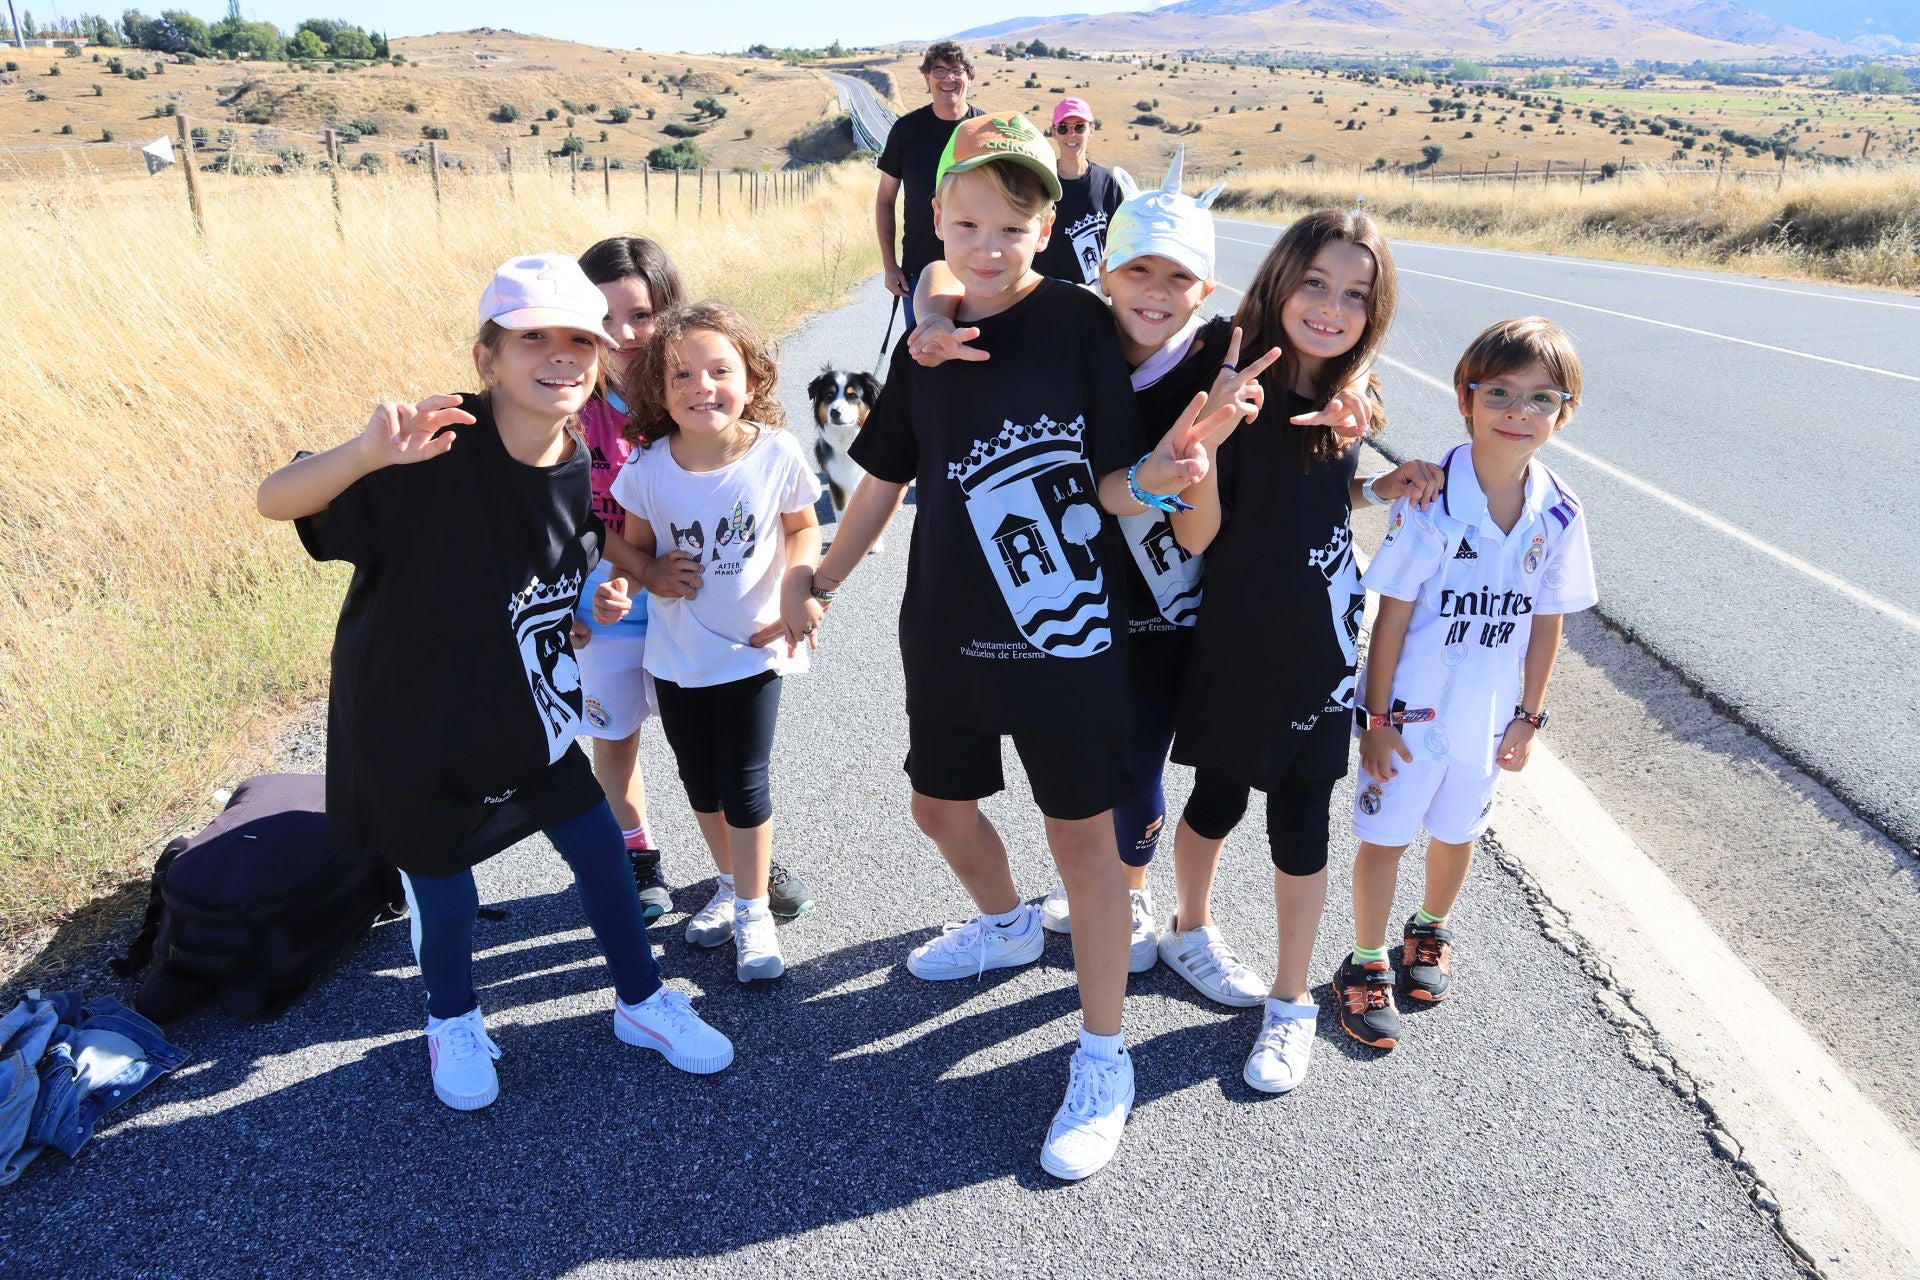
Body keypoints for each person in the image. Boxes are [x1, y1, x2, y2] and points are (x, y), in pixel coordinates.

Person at [809, 113, 1237, 1181]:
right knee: (938, 806)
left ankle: (1103, 1056)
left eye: (1011, 224)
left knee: (1085, 851)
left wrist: (1154, 482)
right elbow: (884, 478)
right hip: (946, 628)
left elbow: (1105, 480)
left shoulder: (1082, 330)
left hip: (1066, 641)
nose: (987, 245)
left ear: (1050, 226)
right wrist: (818, 580)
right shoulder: (926, 336)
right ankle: (1001, 924)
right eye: (965, 223)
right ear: (934, 226)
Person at [256, 253, 733, 1112]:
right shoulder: (433, 448)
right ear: (488, 359)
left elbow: (542, 579)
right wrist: (363, 454)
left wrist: (590, 601)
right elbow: (276, 498)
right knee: (448, 900)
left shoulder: (574, 456)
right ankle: (453, 1019)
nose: (561, 356)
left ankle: (642, 1001)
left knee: (602, 858)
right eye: (532, 339)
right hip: (412, 735)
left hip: (527, 717)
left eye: (580, 341)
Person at [1165, 210, 1444, 1096]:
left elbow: (1315, 495)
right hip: (1239, 640)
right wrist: (1196, 454)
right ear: (1283, 279)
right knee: (1214, 798)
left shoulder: (1347, 391)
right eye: (1315, 284)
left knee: (1302, 821)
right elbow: (1201, 533)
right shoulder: (1234, 371)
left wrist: (1378, 483)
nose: (1330, 306)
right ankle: (1189, 928)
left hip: (1324, 647)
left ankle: (1290, 1004)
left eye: (1355, 294)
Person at [1339, 316, 1597, 1051]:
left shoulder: (1561, 510)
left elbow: (1547, 618)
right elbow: (1391, 617)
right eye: (1501, 394)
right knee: (1384, 837)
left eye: (1542, 399)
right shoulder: (1430, 498)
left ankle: (1429, 930)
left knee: (1459, 832)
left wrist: (1529, 716)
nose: (1519, 413)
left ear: (1564, 412)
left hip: (1487, 718)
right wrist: (1378, 718)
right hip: (1411, 717)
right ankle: (1364, 961)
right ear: (1465, 398)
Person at [574, 237, 816, 922]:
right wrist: (619, 579)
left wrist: (800, 585)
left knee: (722, 756)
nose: (622, 334)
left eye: (641, 315)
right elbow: (559, 517)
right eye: (603, 317)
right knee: (617, 739)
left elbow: (789, 514)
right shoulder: (568, 403)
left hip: (702, 604)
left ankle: (740, 874)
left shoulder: (691, 398)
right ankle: (638, 857)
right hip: (610, 590)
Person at [875, 41, 981, 330]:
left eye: (957, 71)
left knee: (981, 361)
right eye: (939, 71)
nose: (948, 79)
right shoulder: (906, 131)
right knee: (926, 362)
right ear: (926, 78)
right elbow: (885, 199)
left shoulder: (986, 131)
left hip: (979, 269)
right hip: (919, 272)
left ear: (970, 77)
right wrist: (890, 265)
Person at [1031, 97, 1124, 288]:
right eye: (1064, 127)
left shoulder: (1107, 182)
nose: (1071, 134)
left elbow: (1119, 240)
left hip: (1093, 293)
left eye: (1079, 127)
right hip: (1042, 290)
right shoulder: (1039, 181)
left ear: (1092, 130)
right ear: (1054, 132)